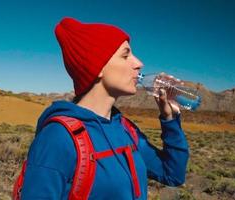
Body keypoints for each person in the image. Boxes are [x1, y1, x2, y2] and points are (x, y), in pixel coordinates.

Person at [21, 17, 189, 200]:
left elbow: (172, 174)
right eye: (126, 55)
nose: (139, 63)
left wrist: (170, 119)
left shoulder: (126, 129)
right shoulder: (58, 138)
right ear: (98, 67)